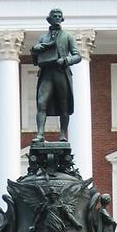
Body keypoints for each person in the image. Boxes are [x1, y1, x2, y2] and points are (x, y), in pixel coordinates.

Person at [30, 9, 81, 142]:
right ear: (49, 19)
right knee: (42, 103)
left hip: (61, 72)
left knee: (64, 104)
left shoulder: (68, 36)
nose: (57, 18)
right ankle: (40, 134)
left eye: (59, 16)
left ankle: (63, 134)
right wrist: (35, 50)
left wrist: (66, 60)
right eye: (54, 16)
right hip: (47, 73)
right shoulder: (43, 37)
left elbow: (77, 56)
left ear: (62, 19)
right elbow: (36, 59)